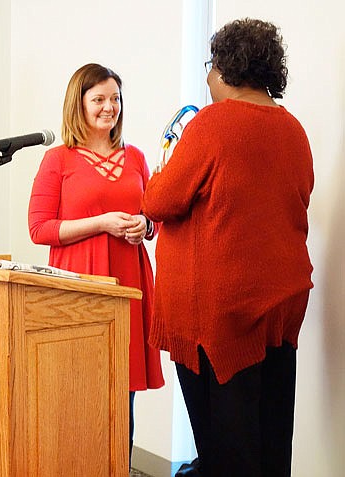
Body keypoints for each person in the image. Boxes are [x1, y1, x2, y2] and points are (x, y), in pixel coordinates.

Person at [142, 18, 313, 477]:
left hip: (219, 320)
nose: (206, 77)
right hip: (277, 309)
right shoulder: (293, 130)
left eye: (209, 66)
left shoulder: (213, 125)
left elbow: (159, 200)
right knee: (271, 441)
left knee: (226, 454)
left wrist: (163, 169)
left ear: (226, 69)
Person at [28, 63, 165, 461]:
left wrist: (145, 225)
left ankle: (118, 466)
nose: (110, 107)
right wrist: (101, 223)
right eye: (99, 99)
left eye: (115, 99)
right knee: (78, 389)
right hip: (79, 285)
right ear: (79, 104)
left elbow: (153, 215)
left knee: (122, 392)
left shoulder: (136, 157)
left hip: (128, 283)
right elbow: (39, 229)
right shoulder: (59, 159)